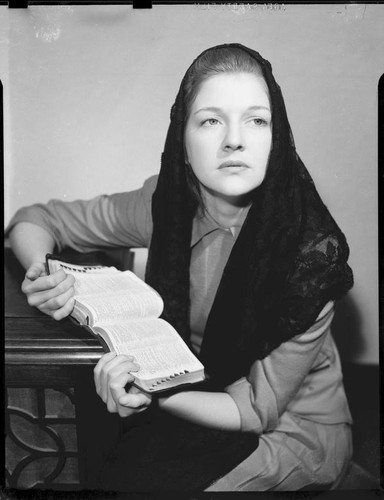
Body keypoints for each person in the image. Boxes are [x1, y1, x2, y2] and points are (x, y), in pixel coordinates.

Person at [6, 43, 354, 491]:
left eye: (257, 119)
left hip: (288, 428)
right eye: (211, 120)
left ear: (278, 138)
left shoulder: (310, 258)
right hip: (196, 392)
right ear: (182, 142)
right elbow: (35, 219)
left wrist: (152, 395)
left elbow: (252, 410)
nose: (234, 139)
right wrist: (41, 271)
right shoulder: (166, 206)